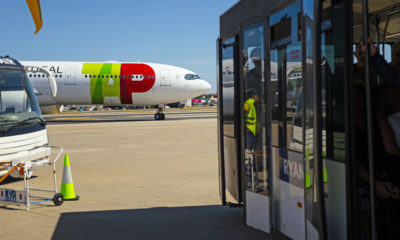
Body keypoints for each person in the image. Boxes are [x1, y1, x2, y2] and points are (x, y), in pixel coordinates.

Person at [244, 91, 260, 190]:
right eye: (258, 95)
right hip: (249, 132)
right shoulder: (247, 104)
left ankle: (253, 177)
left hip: (254, 133)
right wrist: (246, 128)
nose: (259, 97)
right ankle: (249, 178)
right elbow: (243, 115)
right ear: (253, 96)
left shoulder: (254, 105)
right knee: (249, 155)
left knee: (253, 155)